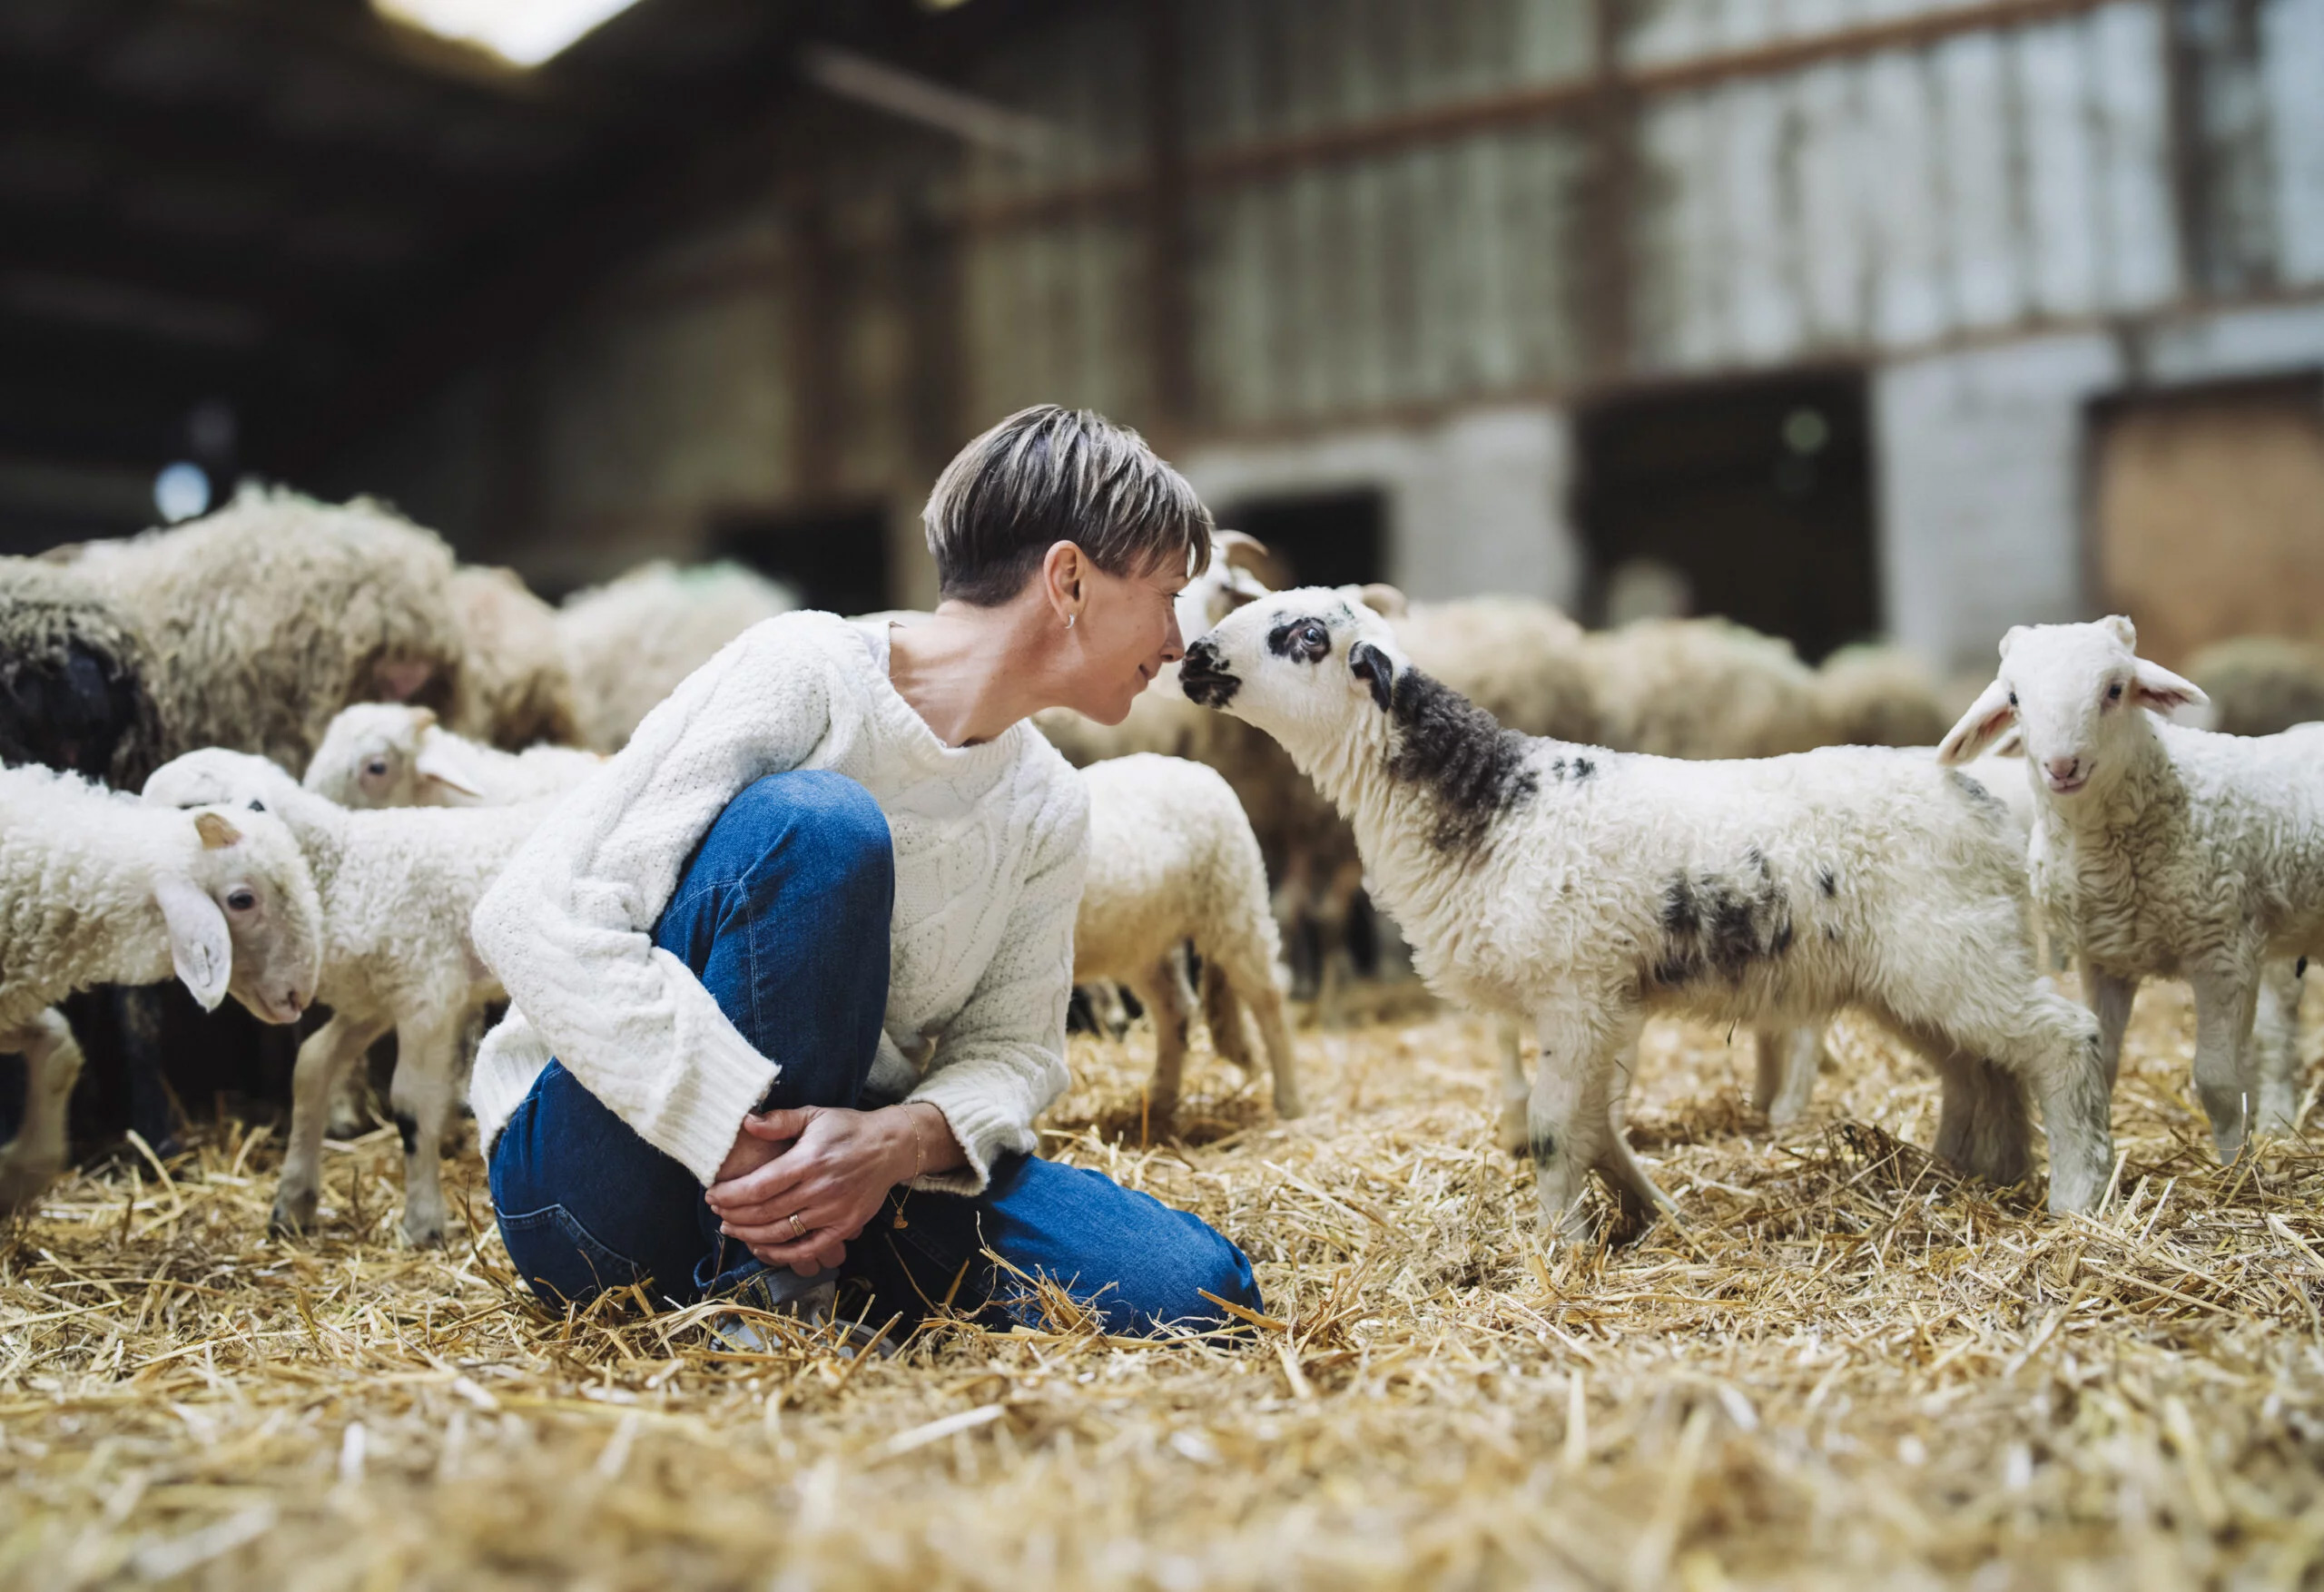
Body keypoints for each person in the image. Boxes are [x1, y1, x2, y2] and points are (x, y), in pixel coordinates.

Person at [468, 405, 1264, 1340]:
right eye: (1168, 592)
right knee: (820, 825)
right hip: (604, 1181)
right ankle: (770, 1302)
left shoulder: (1049, 802)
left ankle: (804, 1266)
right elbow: (530, 914)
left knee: (1196, 1289)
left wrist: (892, 1144)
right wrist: (732, 1133)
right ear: (1068, 579)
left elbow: (1013, 1052)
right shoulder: (804, 671)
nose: (1176, 642)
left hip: (846, 1171)